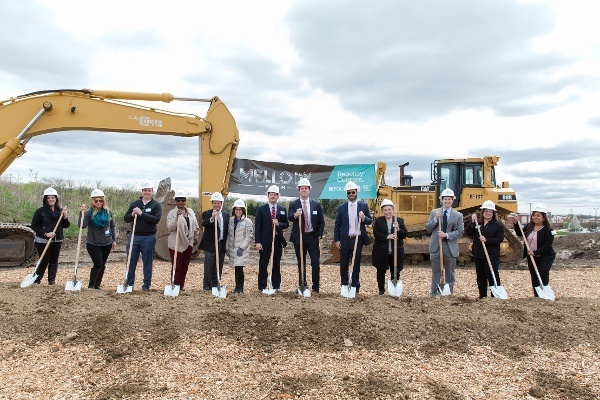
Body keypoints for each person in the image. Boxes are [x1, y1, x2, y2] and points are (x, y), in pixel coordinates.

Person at [508, 203, 556, 297]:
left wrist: (535, 252)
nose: (535, 217)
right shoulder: (529, 226)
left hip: (545, 256)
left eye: (538, 215)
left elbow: (547, 245)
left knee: (543, 272)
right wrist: (516, 223)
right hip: (532, 256)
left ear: (543, 217)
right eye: (534, 215)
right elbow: (519, 233)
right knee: (534, 275)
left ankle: (545, 293)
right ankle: (537, 295)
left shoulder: (548, 230)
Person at [334, 181, 372, 294]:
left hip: (357, 239)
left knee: (355, 264)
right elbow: (337, 225)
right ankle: (345, 285)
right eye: (349, 192)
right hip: (345, 239)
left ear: (356, 192)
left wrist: (364, 217)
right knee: (343, 264)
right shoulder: (341, 208)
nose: (351, 194)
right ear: (347, 193)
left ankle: (355, 286)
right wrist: (337, 240)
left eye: (353, 192)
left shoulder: (363, 206)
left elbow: (370, 220)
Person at [288, 178, 325, 293]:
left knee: (315, 262)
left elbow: (321, 221)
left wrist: (318, 234)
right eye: (302, 188)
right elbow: (289, 217)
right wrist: (295, 214)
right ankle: (302, 285)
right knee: (301, 262)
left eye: (306, 188)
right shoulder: (294, 204)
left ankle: (316, 287)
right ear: (299, 190)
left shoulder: (316, 204)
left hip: (312, 237)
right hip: (299, 237)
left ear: (309, 190)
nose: (304, 190)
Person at [123, 180, 162, 291]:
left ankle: (146, 286)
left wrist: (141, 214)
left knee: (147, 262)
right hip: (134, 236)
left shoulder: (156, 205)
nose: (147, 192)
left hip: (149, 237)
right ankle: (129, 284)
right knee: (131, 261)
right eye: (145, 190)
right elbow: (126, 219)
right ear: (142, 191)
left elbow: (156, 219)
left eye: (149, 190)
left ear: (152, 192)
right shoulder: (135, 204)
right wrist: (132, 214)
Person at [425, 188, 464, 297]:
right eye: (445, 199)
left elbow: (460, 231)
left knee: (450, 273)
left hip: (450, 247)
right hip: (436, 247)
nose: (447, 201)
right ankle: (434, 293)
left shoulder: (458, 215)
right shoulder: (434, 212)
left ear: (452, 201)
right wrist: (436, 219)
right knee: (436, 272)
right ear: (442, 200)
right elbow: (428, 228)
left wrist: (446, 235)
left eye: (449, 199)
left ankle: (448, 294)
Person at [30, 187, 70, 285]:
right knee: (44, 260)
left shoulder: (60, 211)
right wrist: (46, 233)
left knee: (54, 260)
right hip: (43, 240)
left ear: (56, 199)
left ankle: (51, 281)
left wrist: (65, 217)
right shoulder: (40, 211)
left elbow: (66, 225)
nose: (51, 199)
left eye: (53, 197)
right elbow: (34, 226)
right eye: (48, 198)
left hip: (57, 240)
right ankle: (37, 280)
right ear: (45, 199)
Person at [465, 200, 504, 298]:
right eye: (486, 211)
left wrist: (487, 240)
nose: (488, 213)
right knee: (480, 276)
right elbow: (469, 233)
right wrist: (472, 222)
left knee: (492, 274)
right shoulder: (479, 223)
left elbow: (499, 239)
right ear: (483, 212)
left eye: (490, 211)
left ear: (493, 213)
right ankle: (482, 296)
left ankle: (494, 295)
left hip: (491, 255)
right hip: (479, 254)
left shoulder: (497, 225)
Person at [79, 189, 116, 289]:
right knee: (98, 263)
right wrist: (81, 214)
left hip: (107, 242)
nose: (98, 203)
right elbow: (82, 225)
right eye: (96, 201)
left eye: (101, 200)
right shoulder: (88, 213)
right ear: (93, 201)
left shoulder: (108, 212)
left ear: (103, 201)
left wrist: (114, 240)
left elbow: (112, 226)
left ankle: (97, 284)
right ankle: (91, 285)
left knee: (102, 264)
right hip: (93, 243)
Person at [255, 185, 289, 292]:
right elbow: (258, 227)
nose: (273, 196)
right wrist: (258, 242)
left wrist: (278, 223)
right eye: (271, 195)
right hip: (264, 242)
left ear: (278, 196)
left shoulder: (282, 209)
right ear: (268, 196)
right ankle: (262, 287)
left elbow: (286, 224)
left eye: (275, 195)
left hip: (277, 241)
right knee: (263, 264)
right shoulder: (261, 209)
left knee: (276, 264)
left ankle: (276, 286)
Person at [371, 199, 408, 295]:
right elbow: (376, 234)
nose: (387, 212)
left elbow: (404, 235)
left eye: (389, 209)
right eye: (385, 210)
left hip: (396, 250)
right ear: (382, 211)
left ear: (392, 209)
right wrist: (387, 237)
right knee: (381, 271)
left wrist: (398, 229)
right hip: (382, 251)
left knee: (395, 270)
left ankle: (394, 289)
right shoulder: (379, 221)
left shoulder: (399, 220)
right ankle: (381, 291)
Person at [166, 189, 200, 292]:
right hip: (176, 243)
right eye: (178, 200)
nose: (181, 202)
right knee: (177, 265)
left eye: (183, 200)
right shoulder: (171, 213)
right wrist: (176, 217)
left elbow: (195, 226)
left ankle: (181, 285)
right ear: (175, 201)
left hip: (188, 242)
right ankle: (175, 285)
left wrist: (195, 238)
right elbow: (170, 227)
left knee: (185, 265)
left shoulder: (190, 211)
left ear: (185, 201)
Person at [198, 192, 229, 290]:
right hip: (210, 245)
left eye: (218, 203)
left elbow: (226, 229)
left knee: (218, 266)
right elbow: (204, 224)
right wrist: (212, 218)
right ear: (212, 203)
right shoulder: (207, 213)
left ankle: (216, 285)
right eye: (214, 203)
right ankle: (207, 286)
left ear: (221, 203)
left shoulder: (225, 214)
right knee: (208, 267)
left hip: (221, 244)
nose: (216, 205)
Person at [226, 199, 254, 294]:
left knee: (240, 268)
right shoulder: (231, 221)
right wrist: (227, 247)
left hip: (242, 249)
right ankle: (236, 287)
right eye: (236, 209)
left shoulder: (247, 221)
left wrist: (242, 247)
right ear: (234, 210)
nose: (238, 211)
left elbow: (249, 236)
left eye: (240, 209)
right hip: (233, 248)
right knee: (236, 268)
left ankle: (240, 288)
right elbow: (229, 235)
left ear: (243, 210)